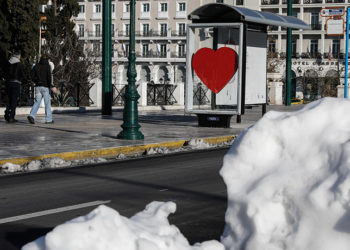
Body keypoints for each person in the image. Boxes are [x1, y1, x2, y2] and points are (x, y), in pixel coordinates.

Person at [27, 54, 57, 124]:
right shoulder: (47, 66)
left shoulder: (36, 66)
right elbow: (49, 78)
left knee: (37, 102)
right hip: (45, 87)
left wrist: (35, 81)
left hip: (37, 87)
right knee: (47, 103)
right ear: (47, 59)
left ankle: (32, 115)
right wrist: (52, 86)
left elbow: (31, 75)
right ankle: (49, 119)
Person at [4, 50, 26, 123]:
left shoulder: (8, 63)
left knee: (9, 99)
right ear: (18, 56)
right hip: (16, 83)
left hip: (8, 82)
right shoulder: (20, 64)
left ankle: (7, 113)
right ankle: (11, 117)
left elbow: (4, 72)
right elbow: (23, 74)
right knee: (14, 100)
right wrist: (24, 80)